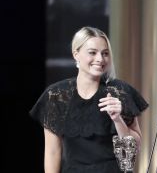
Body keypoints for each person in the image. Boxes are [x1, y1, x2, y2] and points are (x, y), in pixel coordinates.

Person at [30, 26, 149, 173]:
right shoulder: (56, 95)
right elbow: (52, 151)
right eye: (92, 52)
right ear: (76, 54)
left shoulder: (119, 91)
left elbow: (135, 147)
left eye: (105, 53)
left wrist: (118, 119)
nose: (100, 59)